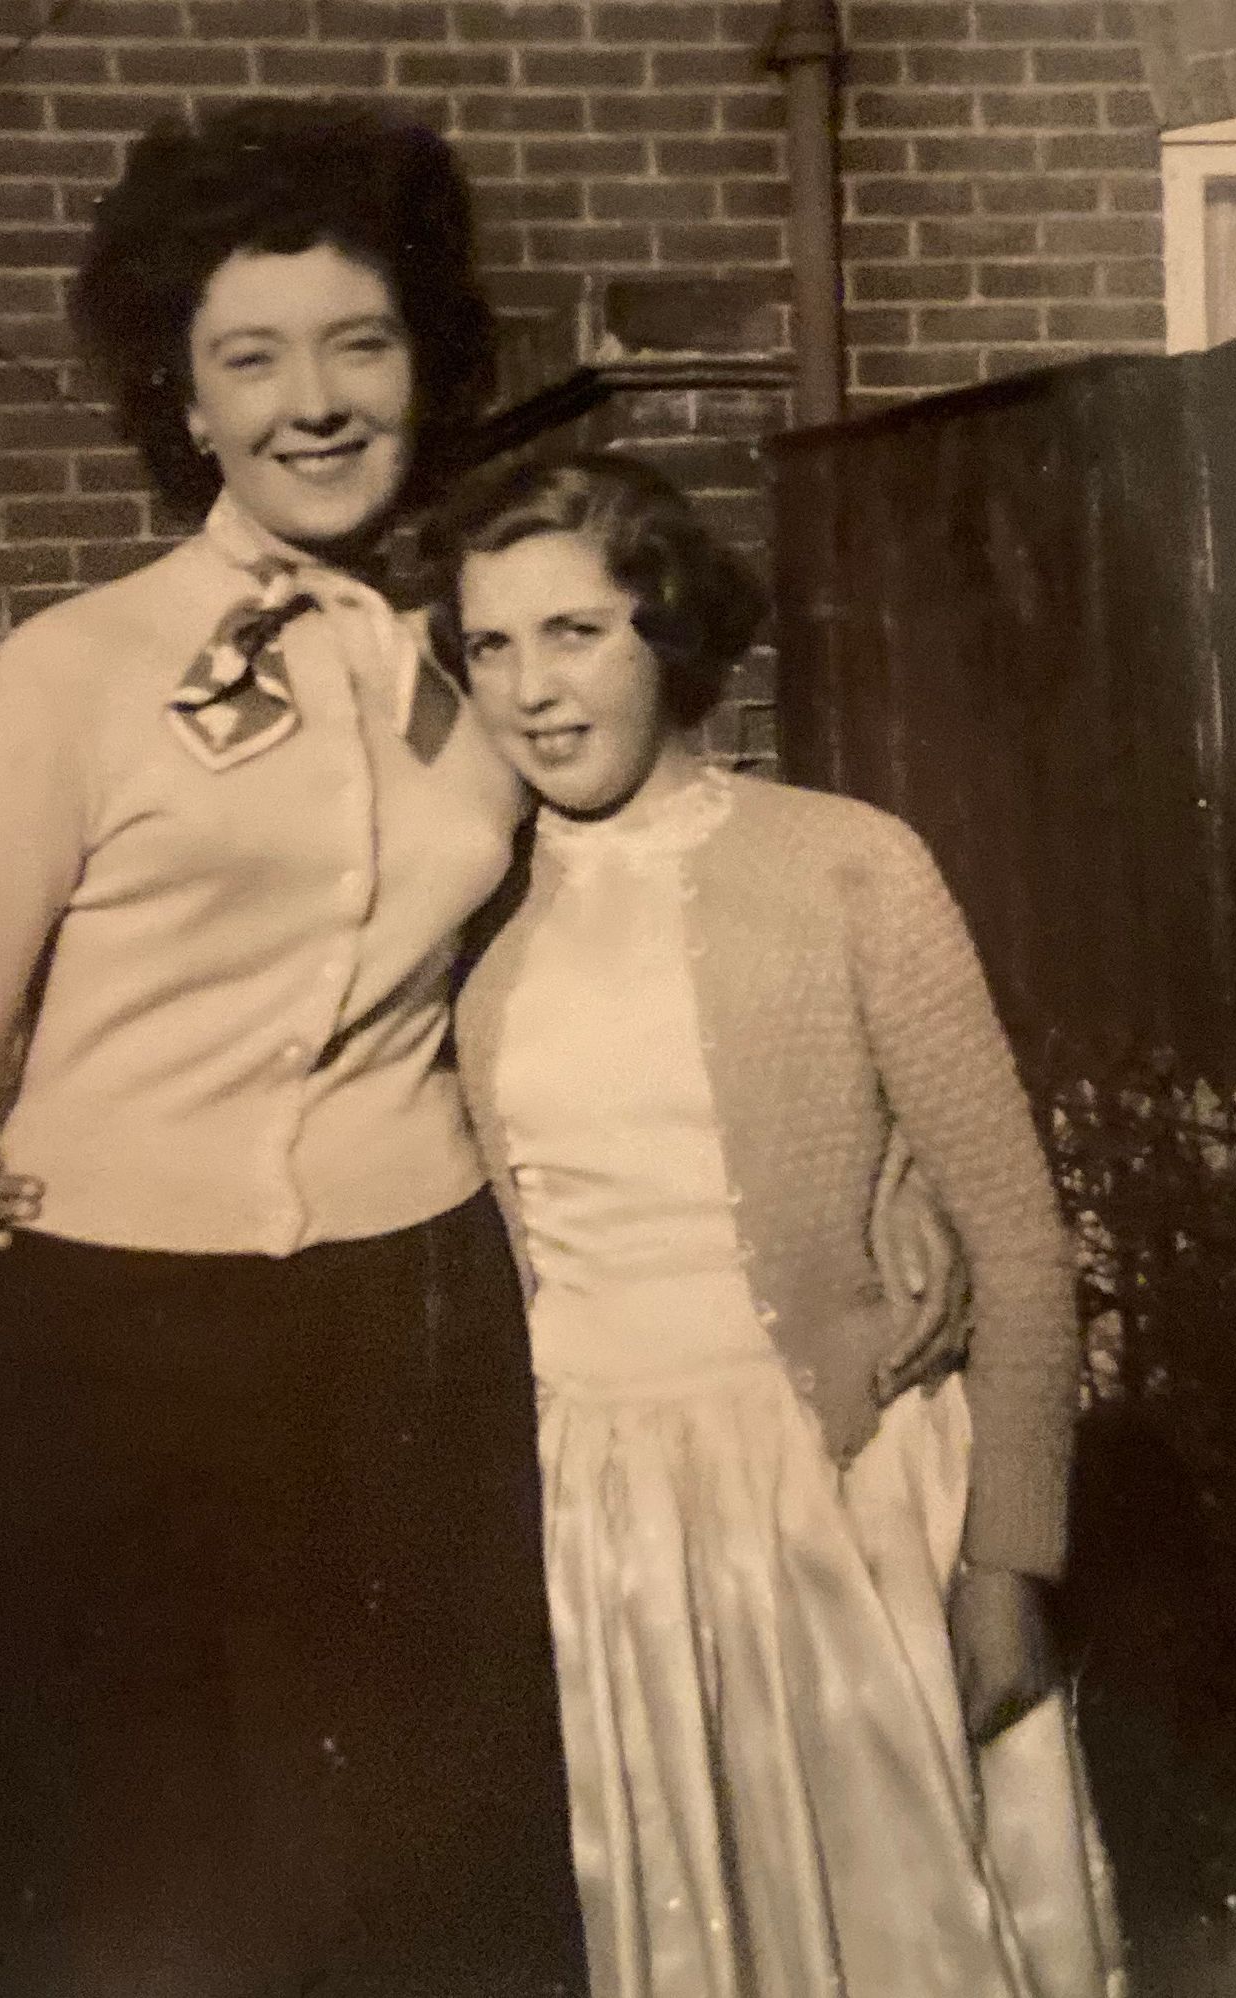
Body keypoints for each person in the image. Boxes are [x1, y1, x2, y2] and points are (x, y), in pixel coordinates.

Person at [0, 101, 587, 1996]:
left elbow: (654, 930)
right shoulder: (68, 674)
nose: (311, 403)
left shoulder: (488, 668)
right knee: (149, 1922)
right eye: (251, 358)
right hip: (108, 1362)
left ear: (427, 370)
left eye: (359, 345)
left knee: (433, 1914)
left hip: (415, 1344)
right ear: (183, 403)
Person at [428, 452, 1128, 1998]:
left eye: (574, 632)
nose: (531, 689)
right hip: (612, 1526)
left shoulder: (845, 862)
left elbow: (1017, 1236)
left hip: (837, 1507)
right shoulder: (477, 932)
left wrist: (1007, 1558)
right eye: (489, 645)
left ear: (666, 633)